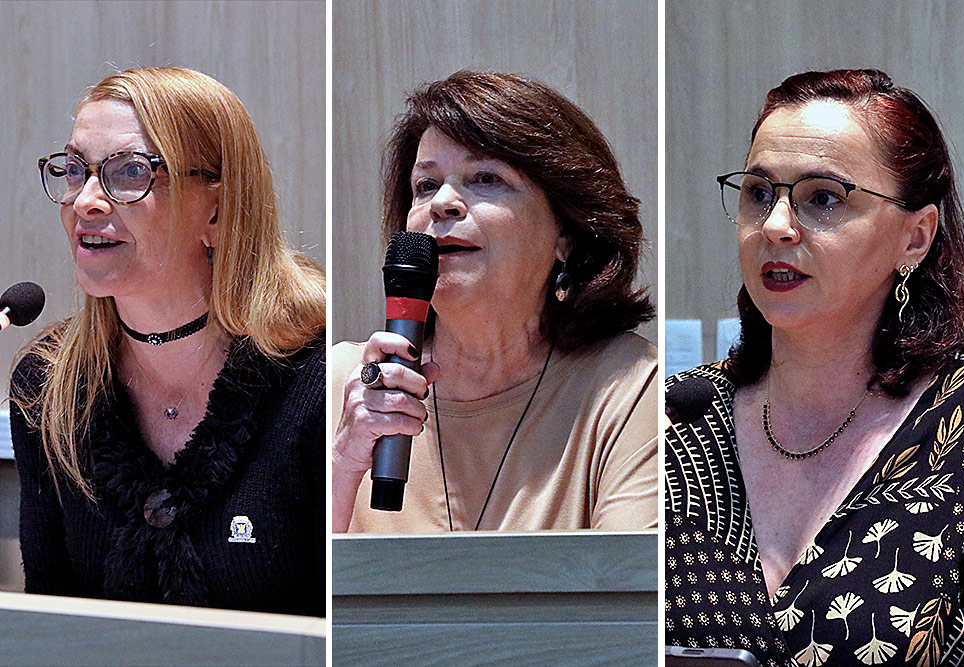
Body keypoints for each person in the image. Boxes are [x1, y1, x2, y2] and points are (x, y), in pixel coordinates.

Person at [665, 68, 964, 665]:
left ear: (914, 238)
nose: (776, 226)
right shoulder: (671, 423)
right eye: (759, 194)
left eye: (823, 198)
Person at [10, 67, 326, 616]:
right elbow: (50, 626)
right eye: (76, 170)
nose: (85, 201)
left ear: (218, 209)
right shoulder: (48, 386)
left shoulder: (315, 375)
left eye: (129, 172)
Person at [332, 70, 657, 533]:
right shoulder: (342, 386)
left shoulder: (627, 387)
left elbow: (624, 598)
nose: (442, 203)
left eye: (484, 178)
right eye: (425, 185)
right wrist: (344, 463)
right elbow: (288, 594)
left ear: (565, 232)